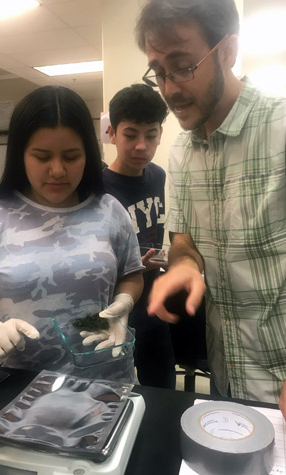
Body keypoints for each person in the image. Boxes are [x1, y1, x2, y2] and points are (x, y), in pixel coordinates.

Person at [135, 0, 286, 404]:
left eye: (183, 66)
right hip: (226, 378)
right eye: (159, 72)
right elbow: (184, 241)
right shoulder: (181, 152)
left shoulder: (281, 127)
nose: (170, 88)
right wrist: (186, 266)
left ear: (227, 51)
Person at [0, 85, 144, 383]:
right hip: (19, 384)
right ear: (20, 154)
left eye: (71, 156)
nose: (57, 170)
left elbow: (132, 274)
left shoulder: (110, 211)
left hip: (107, 379)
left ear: (88, 154)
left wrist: (124, 302)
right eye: (41, 156)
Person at [103, 83, 175, 389]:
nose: (141, 146)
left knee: (162, 387)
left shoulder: (157, 174)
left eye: (151, 134)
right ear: (112, 134)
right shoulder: (97, 187)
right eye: (130, 134)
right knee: (112, 391)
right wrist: (132, 267)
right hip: (112, 307)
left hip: (152, 302)